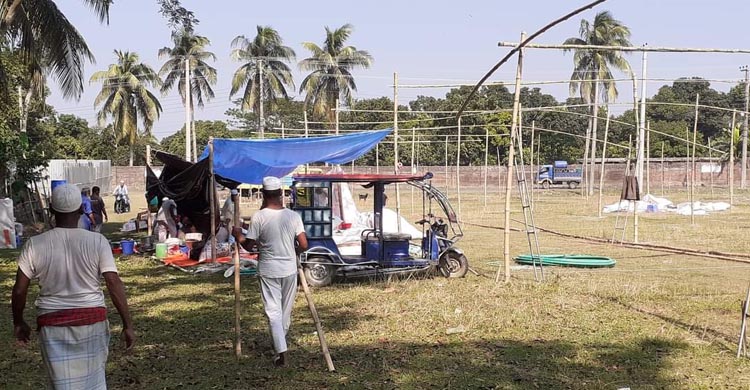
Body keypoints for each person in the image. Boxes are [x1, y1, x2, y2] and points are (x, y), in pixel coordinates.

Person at [11, 183, 134, 389]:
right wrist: (127, 325)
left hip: (52, 323)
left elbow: (20, 289)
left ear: (51, 210)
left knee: (61, 384)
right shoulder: (98, 242)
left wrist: (18, 322)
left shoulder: (35, 244)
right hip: (92, 320)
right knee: (94, 382)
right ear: (80, 210)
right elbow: (113, 283)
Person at [232, 176, 308, 367]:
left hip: (268, 269)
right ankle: (279, 346)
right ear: (281, 194)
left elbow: (249, 246)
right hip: (289, 269)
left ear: (264, 195)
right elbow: (304, 244)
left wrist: (239, 236)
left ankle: (281, 351)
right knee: (284, 312)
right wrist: (293, 252)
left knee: (273, 311)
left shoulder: (259, 217)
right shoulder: (293, 216)